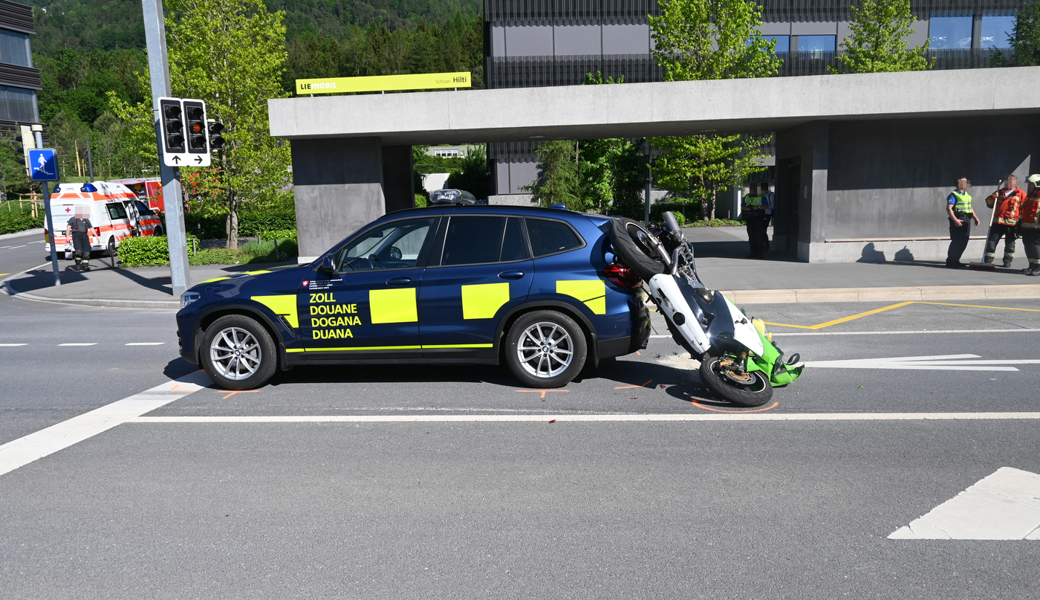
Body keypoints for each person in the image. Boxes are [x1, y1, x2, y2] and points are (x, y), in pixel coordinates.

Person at [983, 174, 1026, 267]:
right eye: (1007, 181)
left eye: (1011, 181)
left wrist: (1021, 223)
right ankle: (988, 260)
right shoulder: (999, 192)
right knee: (991, 242)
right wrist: (993, 196)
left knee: (1010, 244)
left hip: (1012, 224)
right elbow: (989, 204)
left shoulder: (1021, 193)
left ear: (1015, 182)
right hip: (997, 223)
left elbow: (1024, 209)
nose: (1009, 183)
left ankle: (1007, 262)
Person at [945, 177, 978, 268]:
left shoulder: (967, 195)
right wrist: (955, 220)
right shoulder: (954, 195)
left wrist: (975, 217)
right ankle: (950, 261)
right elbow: (949, 208)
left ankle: (956, 260)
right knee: (957, 240)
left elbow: (969, 207)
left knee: (964, 240)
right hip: (958, 218)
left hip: (967, 219)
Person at [1020, 174, 1040, 276]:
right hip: (1027, 226)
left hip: (1037, 227)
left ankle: (1038, 267)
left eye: (1031, 184)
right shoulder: (1030, 195)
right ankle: (1031, 265)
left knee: (1035, 246)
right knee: (1027, 245)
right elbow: (1024, 210)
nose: (1030, 186)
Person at [742, 184, 768, 258]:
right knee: (751, 236)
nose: (752, 190)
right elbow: (743, 206)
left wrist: (758, 208)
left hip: (758, 217)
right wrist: (746, 209)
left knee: (759, 236)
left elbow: (766, 205)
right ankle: (753, 253)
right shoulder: (747, 196)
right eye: (751, 189)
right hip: (750, 217)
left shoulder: (761, 196)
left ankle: (760, 253)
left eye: (754, 189)